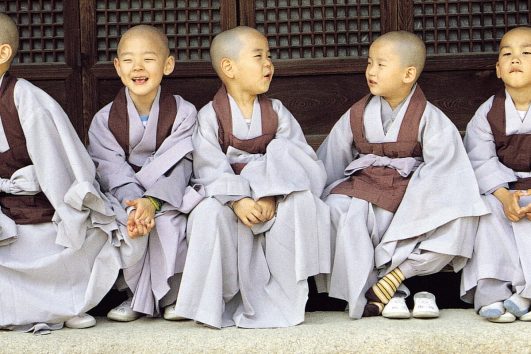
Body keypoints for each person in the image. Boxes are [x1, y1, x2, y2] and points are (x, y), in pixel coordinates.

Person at [315, 31, 488, 320]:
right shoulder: (356, 115)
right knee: (336, 209)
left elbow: (446, 168)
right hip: (363, 186)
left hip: (412, 191)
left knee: (461, 219)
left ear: (408, 74)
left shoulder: (430, 117)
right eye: (369, 63)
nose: (371, 71)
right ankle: (364, 291)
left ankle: (396, 277)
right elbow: (331, 159)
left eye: (381, 65)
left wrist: (415, 198)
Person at [173, 26, 330, 329]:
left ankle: (282, 301)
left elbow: (298, 157)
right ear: (228, 68)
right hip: (231, 198)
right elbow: (208, 166)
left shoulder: (277, 112)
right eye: (259, 57)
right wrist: (238, 199)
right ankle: (211, 304)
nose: (268, 64)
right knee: (206, 215)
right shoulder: (210, 116)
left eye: (269, 56)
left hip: (271, 196)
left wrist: (271, 192)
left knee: (299, 202)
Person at [0, 13, 121, 333]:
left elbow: (60, 168)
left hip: (38, 205)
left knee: (84, 235)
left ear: (3, 54)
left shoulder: (26, 98)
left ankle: (65, 304)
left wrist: (51, 195)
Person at [88, 25, 203, 322]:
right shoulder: (104, 120)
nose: (137, 67)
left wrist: (153, 202)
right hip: (125, 198)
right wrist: (136, 204)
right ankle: (132, 296)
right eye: (128, 60)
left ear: (168, 64)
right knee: (123, 223)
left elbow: (181, 164)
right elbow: (110, 170)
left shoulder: (184, 112)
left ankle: (173, 297)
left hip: (169, 194)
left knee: (171, 223)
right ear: (116, 66)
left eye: (148, 59)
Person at [460, 26, 531, 323]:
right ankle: (493, 292)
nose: (516, 59)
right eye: (507, 54)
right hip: (505, 187)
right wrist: (503, 196)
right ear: (499, 70)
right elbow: (479, 159)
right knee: (487, 212)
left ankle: (526, 294)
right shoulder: (488, 112)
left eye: (526, 52)